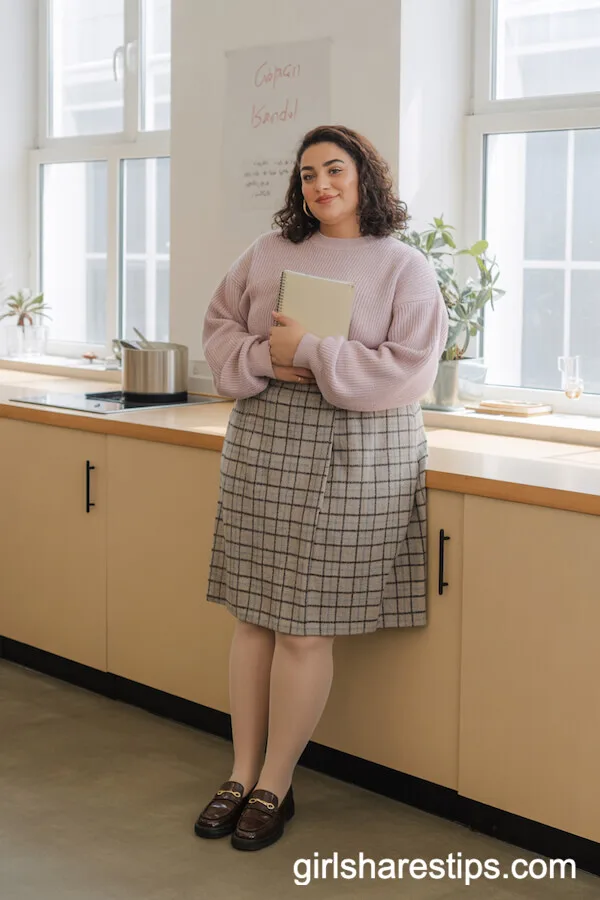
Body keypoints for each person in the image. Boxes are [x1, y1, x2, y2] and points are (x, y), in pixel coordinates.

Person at [195, 125, 448, 852]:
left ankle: (277, 782)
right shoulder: (269, 252)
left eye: (333, 170)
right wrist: (266, 357)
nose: (320, 186)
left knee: (306, 627)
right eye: (307, 175)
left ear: (366, 176)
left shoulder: (405, 267)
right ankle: (239, 773)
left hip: (361, 451)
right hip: (264, 441)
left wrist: (310, 349)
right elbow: (218, 328)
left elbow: (411, 373)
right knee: (252, 616)